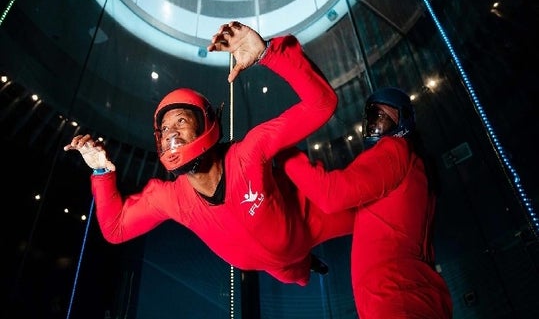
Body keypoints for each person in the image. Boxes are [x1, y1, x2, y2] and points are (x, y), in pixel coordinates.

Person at [63, 21, 355, 287]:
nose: (170, 133)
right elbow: (115, 229)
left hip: (310, 224)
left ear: (206, 125)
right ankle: (308, 264)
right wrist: (102, 172)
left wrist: (267, 54)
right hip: (278, 267)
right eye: (164, 129)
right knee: (296, 272)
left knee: (372, 217)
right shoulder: (171, 199)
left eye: (180, 121)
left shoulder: (250, 152)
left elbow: (322, 105)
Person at [278, 87, 453, 318]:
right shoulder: (410, 171)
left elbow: (331, 195)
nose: (375, 125)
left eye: (384, 117)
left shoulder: (395, 149)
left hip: (397, 295)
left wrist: (284, 154)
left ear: (404, 122)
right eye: (371, 118)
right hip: (403, 294)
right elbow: (337, 216)